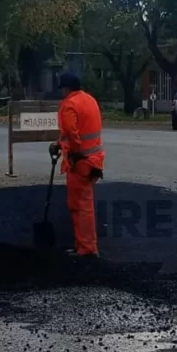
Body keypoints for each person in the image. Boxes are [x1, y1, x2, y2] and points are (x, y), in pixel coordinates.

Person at [49, 73, 105, 257]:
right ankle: (82, 244)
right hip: (94, 159)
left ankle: (87, 248)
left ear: (66, 88)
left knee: (80, 206)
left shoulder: (68, 104)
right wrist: (59, 144)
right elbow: (84, 129)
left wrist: (72, 152)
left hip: (80, 162)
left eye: (62, 89)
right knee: (84, 203)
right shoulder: (90, 100)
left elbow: (72, 133)